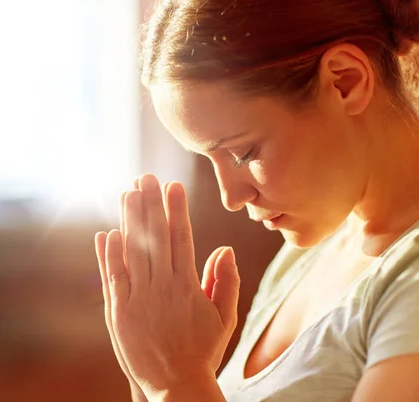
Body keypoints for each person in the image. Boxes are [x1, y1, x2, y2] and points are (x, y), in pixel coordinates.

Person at [94, 0, 419, 401]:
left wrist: (177, 380)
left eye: (243, 153)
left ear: (345, 82)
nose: (231, 197)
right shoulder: (305, 258)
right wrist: (150, 367)